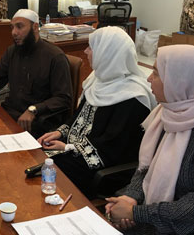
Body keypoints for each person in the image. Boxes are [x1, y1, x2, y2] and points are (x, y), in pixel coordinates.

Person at [105, 44, 194, 235]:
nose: (148, 79)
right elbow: (145, 168)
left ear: (179, 80)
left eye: (156, 73)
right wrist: (129, 198)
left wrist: (136, 213)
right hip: (152, 219)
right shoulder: (166, 113)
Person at [38, 27, 156, 197]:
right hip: (77, 153)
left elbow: (113, 148)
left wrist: (68, 147)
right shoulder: (97, 79)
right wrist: (59, 132)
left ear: (108, 53)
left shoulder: (133, 96)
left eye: (91, 47)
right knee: (36, 156)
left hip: (102, 169)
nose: (86, 51)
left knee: (45, 170)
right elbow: (78, 116)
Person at [0, 9, 72, 138]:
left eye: (19, 27)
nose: (14, 32)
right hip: (10, 112)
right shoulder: (12, 51)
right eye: (12, 27)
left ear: (35, 27)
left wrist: (34, 109)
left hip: (38, 121)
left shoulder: (55, 56)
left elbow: (64, 98)